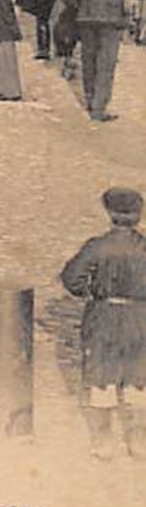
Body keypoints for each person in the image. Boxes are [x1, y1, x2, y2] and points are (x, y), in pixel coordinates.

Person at [60, 187, 146, 459]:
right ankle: (138, 442)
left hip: (104, 317)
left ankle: (104, 443)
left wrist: (90, 294)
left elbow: (71, 278)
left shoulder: (97, 246)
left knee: (101, 377)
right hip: (140, 318)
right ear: (138, 215)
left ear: (109, 213)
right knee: (138, 377)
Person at [71, 0, 146, 121]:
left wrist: (79, 6)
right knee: (106, 63)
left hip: (85, 18)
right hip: (111, 20)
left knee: (88, 59)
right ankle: (99, 107)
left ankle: (90, 99)